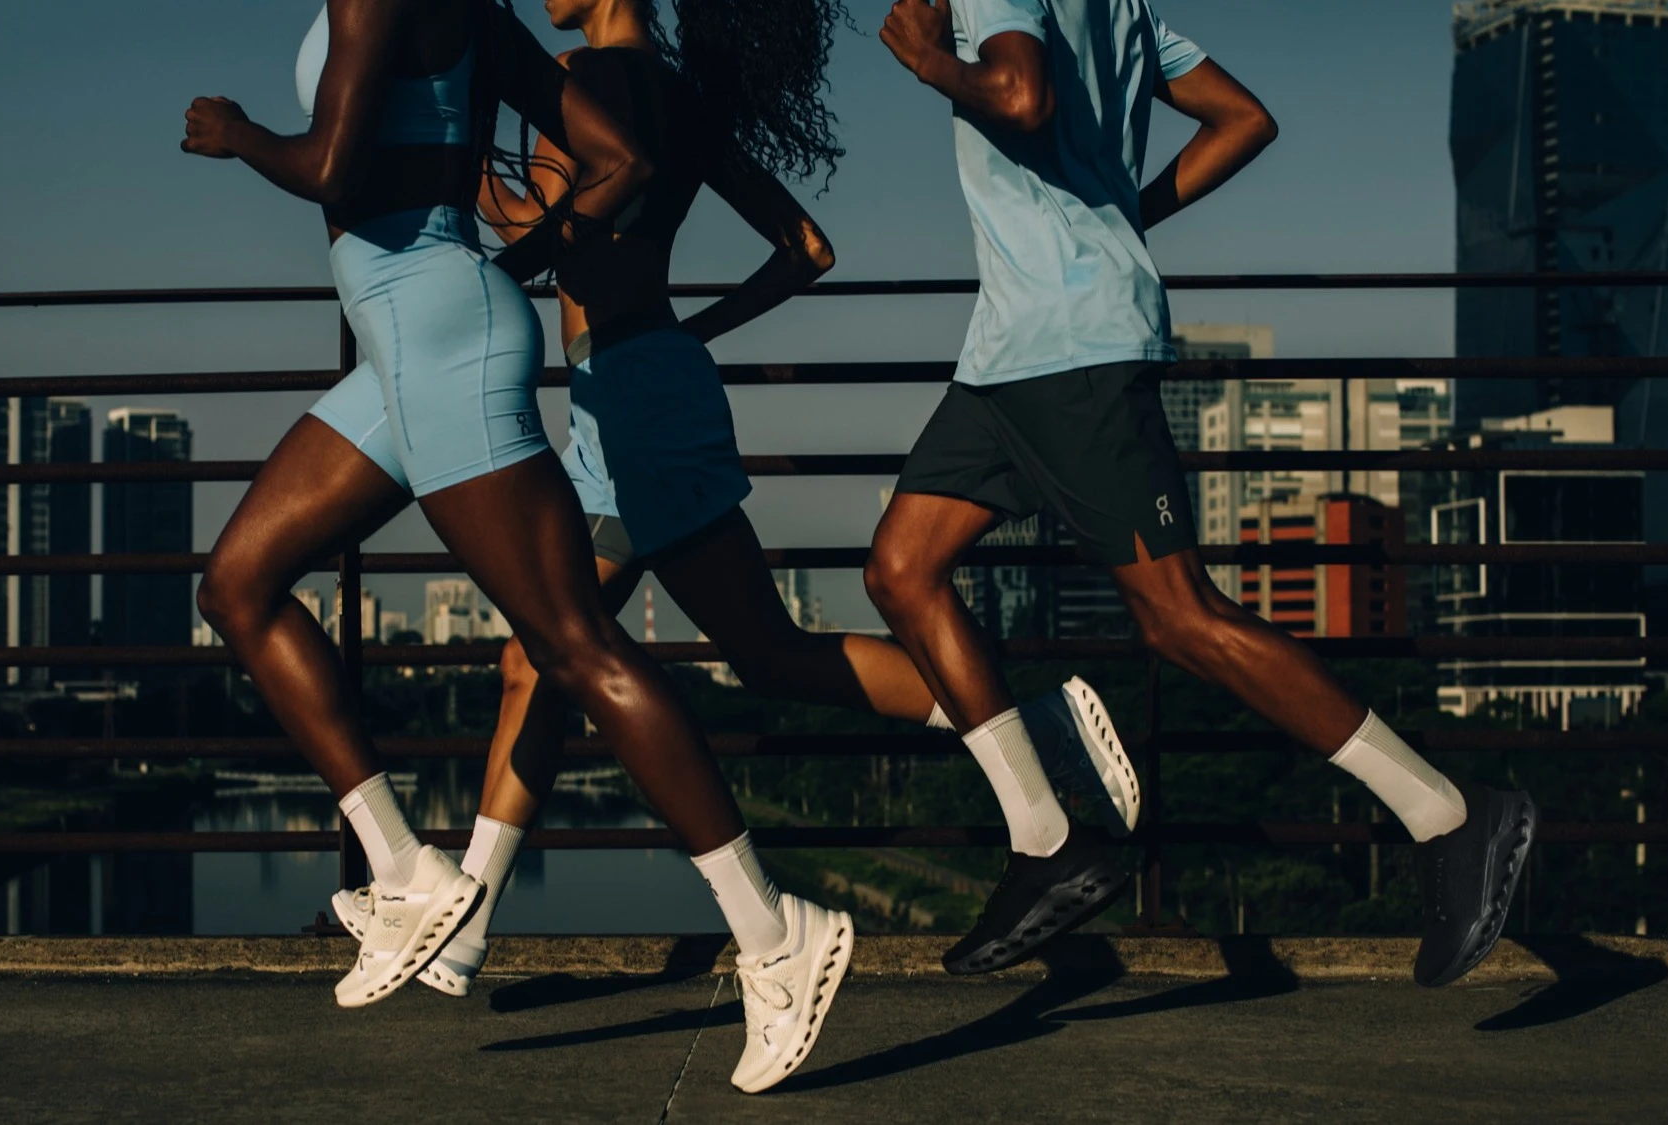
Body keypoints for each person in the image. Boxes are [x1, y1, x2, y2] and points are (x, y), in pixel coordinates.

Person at [339, 0, 1144, 1006]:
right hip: (641, 387)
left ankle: (1027, 734)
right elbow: (805, 247)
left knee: (580, 650)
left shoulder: (574, 82)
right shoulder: (681, 95)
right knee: (624, 654)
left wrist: (446, 182)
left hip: (632, 403)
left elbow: (543, 229)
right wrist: (690, 333)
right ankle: (468, 925)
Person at [182, 0, 847, 1089]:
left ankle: (776, 934)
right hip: (417, 339)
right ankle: (405, 870)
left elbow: (334, 169)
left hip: (432, 338)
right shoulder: (476, 11)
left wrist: (238, 133)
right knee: (239, 583)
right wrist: (527, 254)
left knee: (576, 644)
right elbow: (618, 157)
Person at [873, 0, 1536, 986]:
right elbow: (1242, 117)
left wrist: (933, 64)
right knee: (900, 569)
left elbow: (1016, 92)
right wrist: (1122, 213)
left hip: (1072, 356)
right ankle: (1045, 837)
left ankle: (1445, 814)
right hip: (1005, 357)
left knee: (1178, 620)